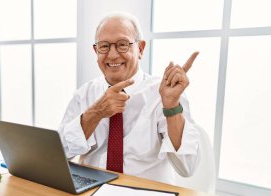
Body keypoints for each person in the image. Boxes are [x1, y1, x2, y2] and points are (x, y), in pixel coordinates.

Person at [58, 12, 200, 184]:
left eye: (122, 44)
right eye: (104, 46)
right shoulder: (84, 94)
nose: (112, 55)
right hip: (91, 191)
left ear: (140, 49)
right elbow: (58, 156)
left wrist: (171, 107)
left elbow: (187, 168)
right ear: (96, 51)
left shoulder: (165, 93)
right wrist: (95, 113)